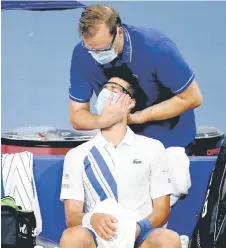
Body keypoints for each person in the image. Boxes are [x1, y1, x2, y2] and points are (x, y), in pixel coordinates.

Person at [60, 77, 181, 248]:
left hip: (140, 235)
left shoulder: (153, 148)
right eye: (104, 88)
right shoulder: (77, 155)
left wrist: (138, 228)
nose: (106, 93)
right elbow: (72, 216)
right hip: (97, 235)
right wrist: (91, 218)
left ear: (130, 103)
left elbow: (162, 210)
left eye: (114, 89)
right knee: (72, 237)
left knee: (169, 239)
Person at [69, 4, 203, 150]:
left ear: (119, 33)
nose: (97, 55)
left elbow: (192, 97)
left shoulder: (156, 48)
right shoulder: (82, 54)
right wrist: (102, 121)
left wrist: (140, 117)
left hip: (170, 143)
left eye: (103, 49)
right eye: (91, 50)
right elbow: (77, 115)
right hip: (120, 146)